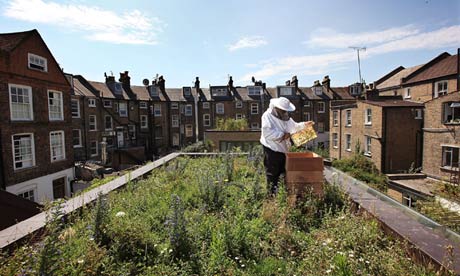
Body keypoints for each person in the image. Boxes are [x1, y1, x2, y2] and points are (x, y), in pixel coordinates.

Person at [260, 97, 314, 195]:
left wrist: (305, 124)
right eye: (283, 109)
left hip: (283, 150)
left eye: (285, 110)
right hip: (271, 149)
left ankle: (280, 195)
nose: (284, 111)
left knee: (283, 173)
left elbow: (294, 126)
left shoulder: (286, 117)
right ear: (277, 107)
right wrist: (283, 135)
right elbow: (267, 133)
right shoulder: (267, 116)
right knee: (272, 174)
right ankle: (271, 197)